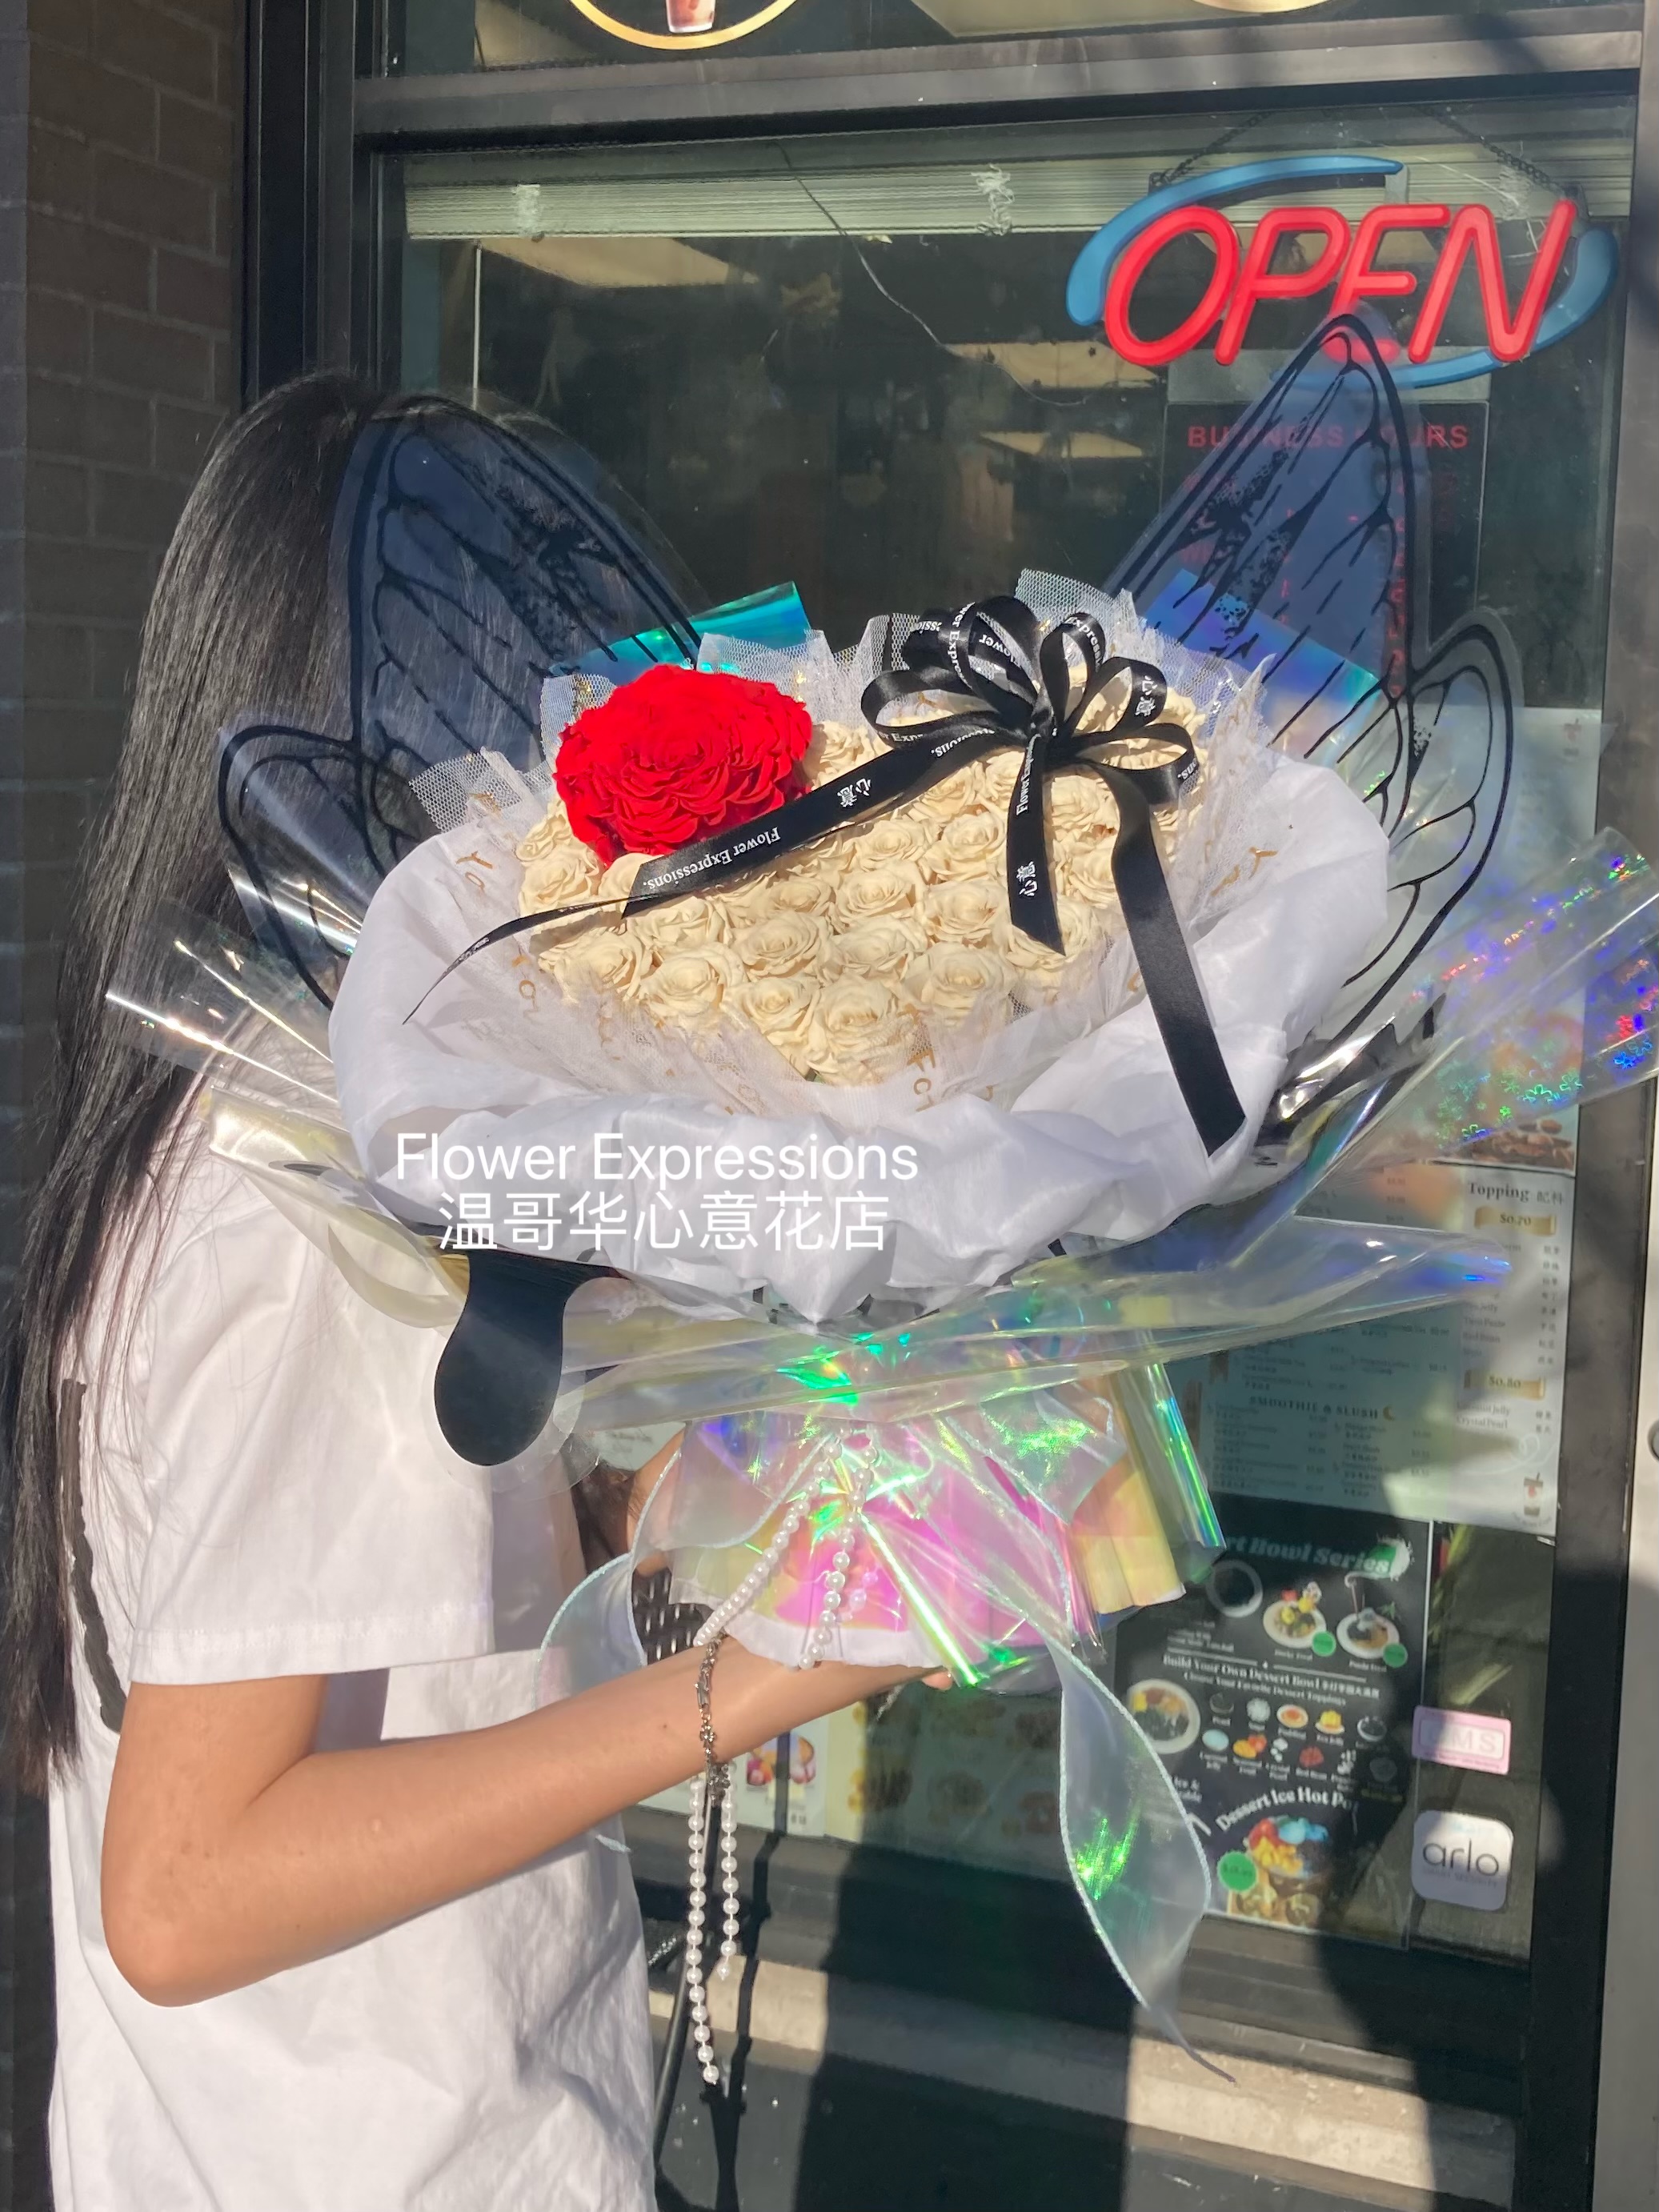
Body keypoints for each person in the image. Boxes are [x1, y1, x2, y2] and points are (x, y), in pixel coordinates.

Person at [0, 375, 921, 2212]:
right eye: (548, 702)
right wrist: (743, 1686)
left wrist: (694, 1483)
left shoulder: (269, 1112)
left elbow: (371, 1589)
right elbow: (184, 1888)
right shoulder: (291, 1188)